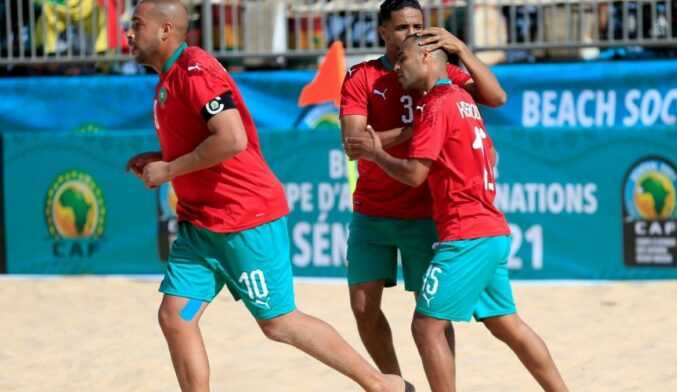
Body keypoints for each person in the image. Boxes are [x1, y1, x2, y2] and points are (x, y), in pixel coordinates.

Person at [124, 1, 413, 391]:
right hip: (203, 226)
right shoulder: (169, 78)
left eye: (137, 24)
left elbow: (231, 138)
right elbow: (205, 143)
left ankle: (381, 385)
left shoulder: (195, 70)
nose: (127, 32)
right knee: (177, 316)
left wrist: (170, 170)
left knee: (279, 323)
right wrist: (160, 159)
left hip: (244, 219)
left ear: (165, 30)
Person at [344, 33, 569, 392]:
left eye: (404, 59)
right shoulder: (464, 100)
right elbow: (489, 155)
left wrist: (376, 153)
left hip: (467, 235)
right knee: (508, 325)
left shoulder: (437, 104)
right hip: (490, 229)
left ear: (430, 57)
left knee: (426, 326)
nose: (397, 67)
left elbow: (415, 174)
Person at [339, 0, 507, 377]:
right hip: (373, 208)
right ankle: (395, 384)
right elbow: (353, 144)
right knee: (364, 307)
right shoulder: (362, 76)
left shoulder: (432, 65)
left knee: (432, 315)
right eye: (401, 27)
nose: (412, 33)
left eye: (418, 25)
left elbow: (496, 97)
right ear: (383, 32)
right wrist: (420, 131)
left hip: (425, 210)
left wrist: (462, 49)